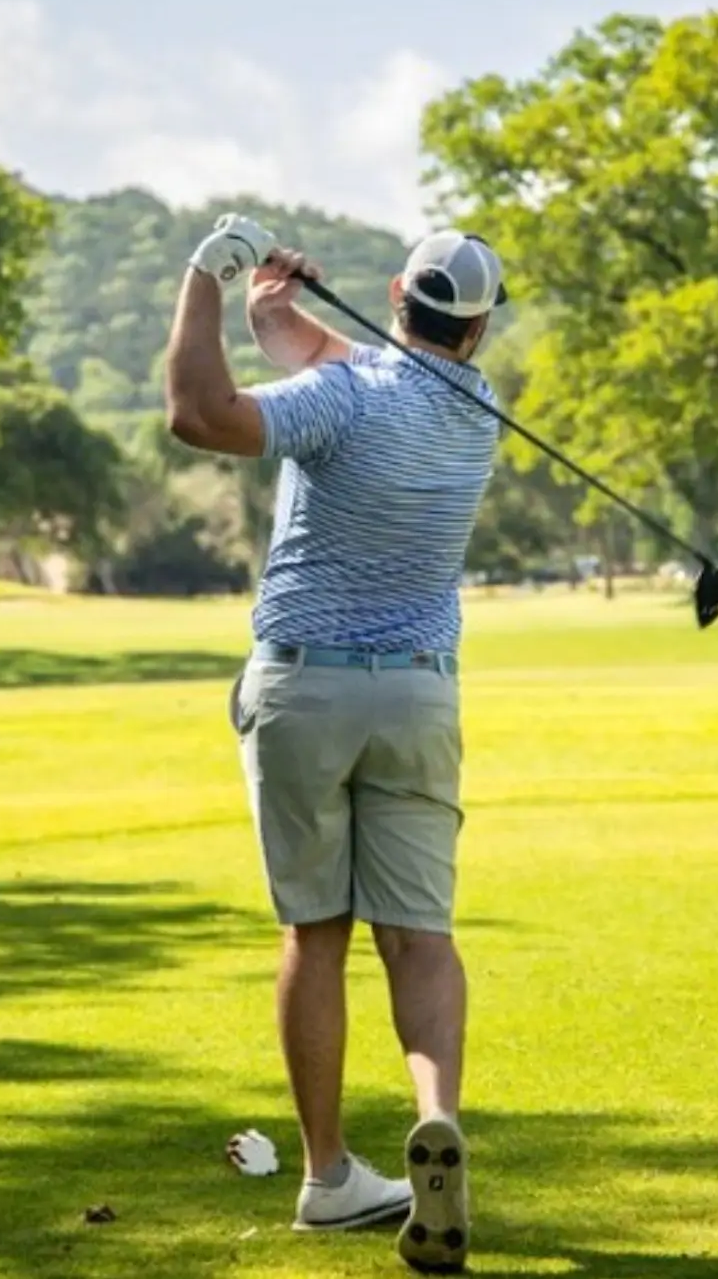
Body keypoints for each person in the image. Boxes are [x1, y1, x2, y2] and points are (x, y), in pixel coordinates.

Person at [163, 213, 505, 1274]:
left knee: (317, 933)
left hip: (307, 689)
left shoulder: (343, 403)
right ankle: (435, 1116)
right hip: (417, 698)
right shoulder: (478, 410)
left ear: (398, 297)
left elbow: (198, 414)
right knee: (422, 936)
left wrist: (209, 280)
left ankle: (327, 1174)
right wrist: (281, 309)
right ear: (479, 331)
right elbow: (332, 355)